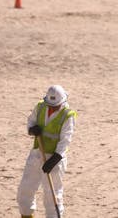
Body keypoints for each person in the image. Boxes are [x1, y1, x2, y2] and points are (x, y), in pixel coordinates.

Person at [18, 85, 76, 218]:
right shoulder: (41, 107)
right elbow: (31, 121)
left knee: (52, 196)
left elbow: (65, 140)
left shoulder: (67, 115)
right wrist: (32, 129)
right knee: (25, 190)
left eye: (54, 106)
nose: (51, 108)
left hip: (55, 159)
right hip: (37, 153)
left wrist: (54, 160)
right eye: (50, 105)